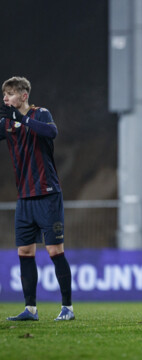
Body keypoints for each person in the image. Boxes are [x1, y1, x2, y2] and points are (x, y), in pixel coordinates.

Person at [0, 76, 74, 321]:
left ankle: (67, 308)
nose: (5, 99)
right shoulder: (7, 123)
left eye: (9, 94)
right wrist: (10, 120)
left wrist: (21, 118)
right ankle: (30, 309)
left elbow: (51, 132)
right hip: (25, 198)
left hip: (47, 195)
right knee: (24, 252)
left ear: (23, 96)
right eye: (4, 95)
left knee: (54, 250)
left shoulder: (40, 113)